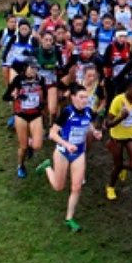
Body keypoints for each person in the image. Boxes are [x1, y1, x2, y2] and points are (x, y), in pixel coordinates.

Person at [36, 84, 102, 232]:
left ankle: (69, 218)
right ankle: (47, 166)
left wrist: (95, 132)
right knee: (58, 187)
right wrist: (66, 144)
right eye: (81, 97)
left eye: (86, 97)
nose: (85, 100)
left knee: (76, 187)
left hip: (79, 153)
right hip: (62, 152)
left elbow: (88, 124)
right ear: (73, 98)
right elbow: (52, 134)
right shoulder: (67, 112)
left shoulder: (88, 112)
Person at [104, 77, 132, 201]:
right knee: (117, 166)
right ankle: (110, 187)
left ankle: (123, 167)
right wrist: (121, 118)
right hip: (117, 138)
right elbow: (107, 124)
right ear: (128, 88)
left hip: (131, 136)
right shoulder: (118, 101)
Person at [3, 57, 47, 178]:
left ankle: (30, 144)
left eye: (36, 68)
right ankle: (21, 165)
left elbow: (45, 96)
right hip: (21, 115)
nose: (34, 71)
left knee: (38, 145)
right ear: (25, 68)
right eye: (31, 68)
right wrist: (16, 97)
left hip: (35, 115)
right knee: (22, 147)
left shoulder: (41, 79)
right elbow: (5, 96)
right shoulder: (18, 80)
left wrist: (41, 105)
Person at [0, 19, 36, 84]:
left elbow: (37, 53)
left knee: (26, 83)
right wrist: (4, 56)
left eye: (26, 29)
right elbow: (7, 48)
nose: (24, 31)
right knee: (13, 85)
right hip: (16, 64)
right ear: (19, 29)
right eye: (22, 29)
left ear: (29, 30)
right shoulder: (14, 38)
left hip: (28, 65)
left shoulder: (33, 39)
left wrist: (30, 53)